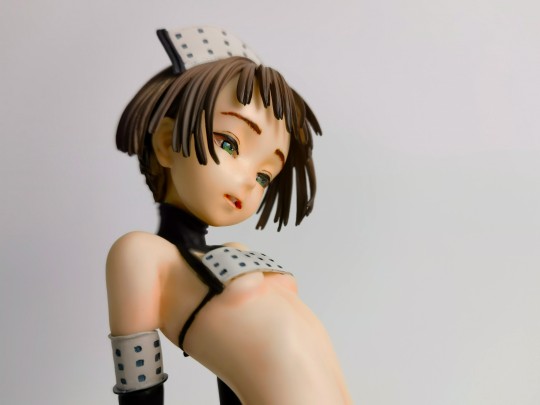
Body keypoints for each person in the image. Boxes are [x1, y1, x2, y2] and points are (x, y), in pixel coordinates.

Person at [106, 26, 351, 404]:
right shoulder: (141, 254)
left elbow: (234, 364)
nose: (250, 181)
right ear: (168, 142)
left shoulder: (232, 251)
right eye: (230, 144)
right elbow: (139, 382)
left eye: (265, 175)